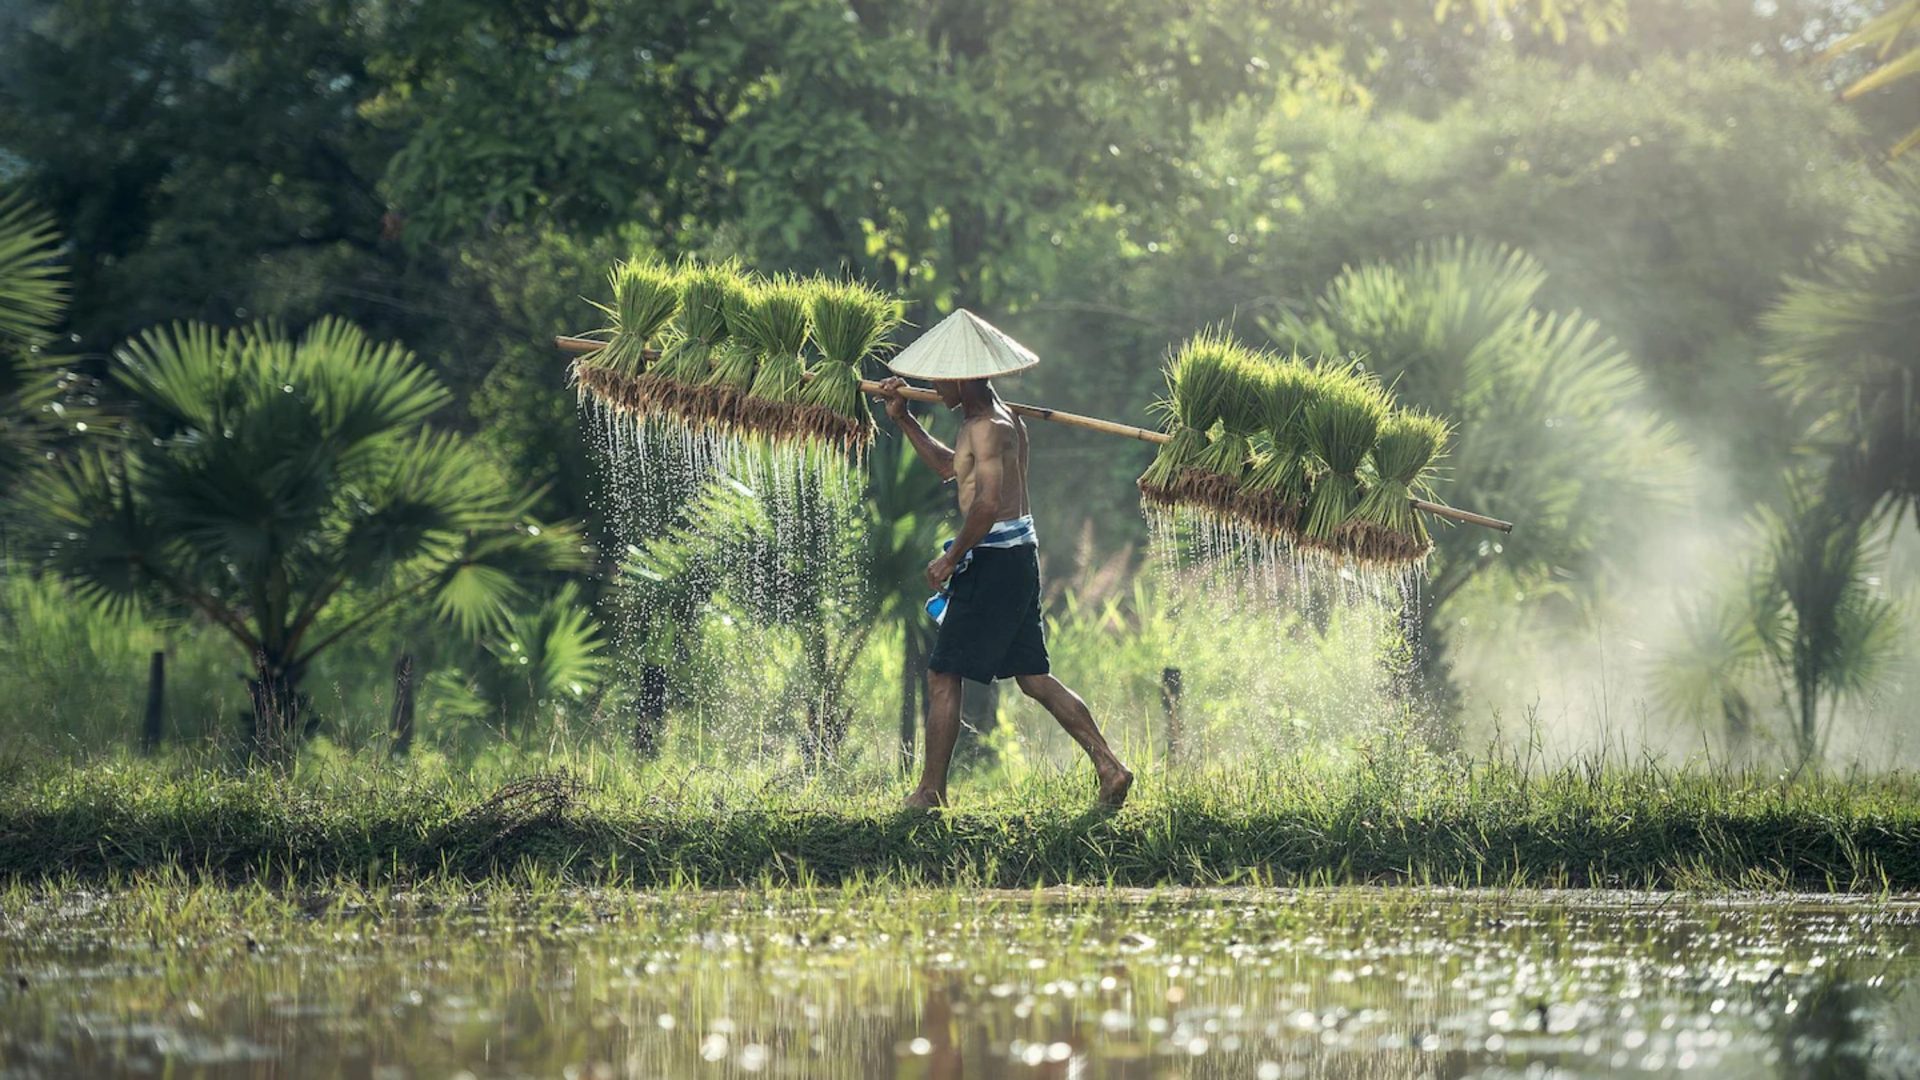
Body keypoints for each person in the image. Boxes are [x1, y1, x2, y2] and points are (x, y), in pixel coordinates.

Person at [875, 354, 1132, 811]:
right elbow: (952, 469)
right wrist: (905, 418)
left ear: (962, 376)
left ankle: (930, 793)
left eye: (940, 378)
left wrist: (951, 558)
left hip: (994, 559)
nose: (935, 386)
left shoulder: (991, 425)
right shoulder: (994, 419)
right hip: (1014, 557)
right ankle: (1110, 767)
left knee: (942, 673)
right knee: (1033, 678)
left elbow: (988, 504)